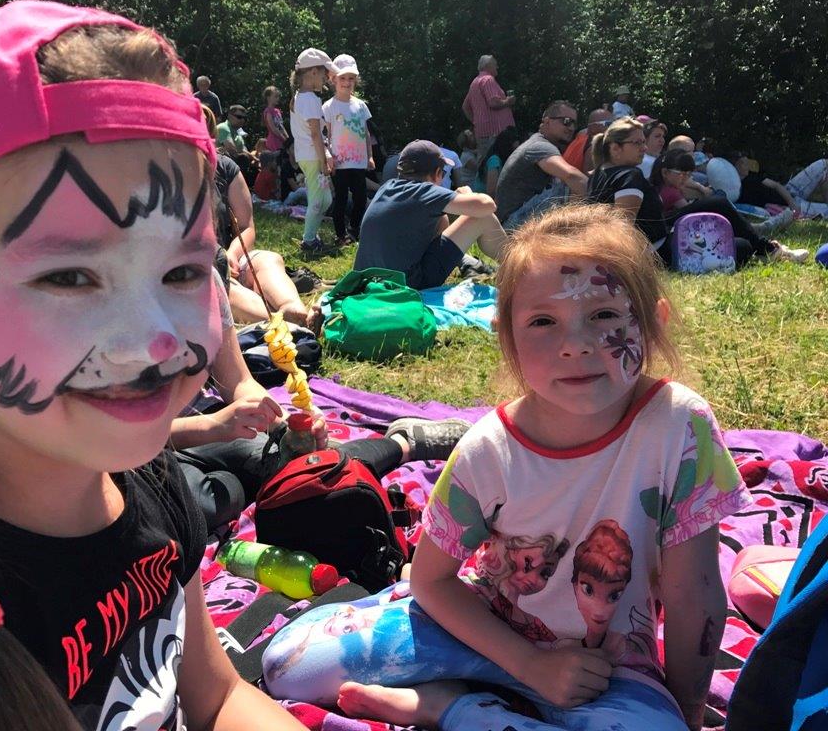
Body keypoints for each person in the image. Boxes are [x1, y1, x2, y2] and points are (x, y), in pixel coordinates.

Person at [0, 0, 307, 731]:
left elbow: (218, 697)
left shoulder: (150, 481)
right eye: (69, 277)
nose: (155, 342)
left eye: (183, 272)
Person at [264, 205, 752, 731]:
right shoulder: (489, 449)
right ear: (507, 337)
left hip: (606, 666)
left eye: (605, 316)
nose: (575, 345)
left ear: (653, 322)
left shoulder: (679, 426)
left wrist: (687, 713)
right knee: (290, 665)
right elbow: (432, 580)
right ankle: (469, 698)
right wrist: (530, 665)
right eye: (543, 321)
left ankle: (448, 706)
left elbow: (693, 593)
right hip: (484, 633)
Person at [172, 321, 471, 532]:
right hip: (152, 452)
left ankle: (403, 442)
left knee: (308, 472)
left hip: (212, 425)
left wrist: (287, 426)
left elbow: (238, 381)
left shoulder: (209, 282)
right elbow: (137, 439)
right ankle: (246, 485)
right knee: (208, 504)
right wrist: (210, 426)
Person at [202, 106, 312, 326]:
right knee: (216, 282)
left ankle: (293, 309)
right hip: (201, 268)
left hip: (233, 256)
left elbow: (246, 226)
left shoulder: (224, 167)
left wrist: (232, 255)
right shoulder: (161, 173)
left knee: (268, 259)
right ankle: (283, 323)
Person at [353, 140, 508, 289]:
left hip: (368, 284)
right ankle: (515, 265)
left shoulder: (386, 188)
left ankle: (465, 261)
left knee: (441, 218)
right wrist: (468, 193)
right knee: (483, 218)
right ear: (437, 173)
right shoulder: (424, 191)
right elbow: (488, 206)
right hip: (406, 286)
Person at [650, 151, 809, 264]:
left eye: (688, 174)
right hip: (670, 235)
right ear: (665, 173)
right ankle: (766, 246)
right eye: (681, 174)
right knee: (718, 202)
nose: (685, 179)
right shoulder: (669, 191)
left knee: (744, 247)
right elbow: (691, 218)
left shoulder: (666, 188)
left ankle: (759, 241)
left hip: (676, 236)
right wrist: (699, 189)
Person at [587, 117, 673, 264]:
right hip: (650, 255)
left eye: (644, 142)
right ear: (615, 148)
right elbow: (623, 227)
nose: (644, 148)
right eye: (637, 143)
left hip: (607, 252)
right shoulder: (630, 175)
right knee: (713, 204)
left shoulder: (596, 175)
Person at [494, 100, 587, 229]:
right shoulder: (540, 146)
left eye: (574, 123)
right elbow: (571, 175)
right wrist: (604, 200)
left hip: (513, 221)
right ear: (547, 121)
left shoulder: (539, 143)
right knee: (568, 188)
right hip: (512, 225)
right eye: (566, 121)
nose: (571, 128)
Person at [290, 48, 337, 253]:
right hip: (312, 156)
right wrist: (324, 161)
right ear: (313, 72)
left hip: (309, 155)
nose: (326, 79)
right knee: (318, 200)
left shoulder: (302, 96)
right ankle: (308, 241)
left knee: (325, 199)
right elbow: (316, 134)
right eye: (325, 74)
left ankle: (312, 235)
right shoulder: (309, 99)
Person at [324, 54, 374, 245]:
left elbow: (366, 133)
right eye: (343, 78)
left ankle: (354, 229)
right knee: (341, 199)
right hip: (339, 162)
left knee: (360, 198)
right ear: (333, 79)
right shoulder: (329, 107)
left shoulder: (360, 106)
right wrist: (328, 157)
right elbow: (325, 135)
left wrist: (370, 156)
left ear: (356, 80)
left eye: (351, 78)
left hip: (359, 161)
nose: (347, 82)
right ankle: (340, 234)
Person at [461, 54, 516, 169]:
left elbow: (465, 107)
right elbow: (493, 103)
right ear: (488, 66)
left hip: (482, 132)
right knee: (499, 164)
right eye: (495, 65)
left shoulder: (475, 82)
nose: (497, 67)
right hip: (496, 132)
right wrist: (508, 101)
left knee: (483, 165)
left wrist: (476, 122)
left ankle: (482, 181)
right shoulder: (488, 80)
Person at [562, 109, 613, 173]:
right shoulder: (595, 147)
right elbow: (590, 177)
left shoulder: (580, 138)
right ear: (593, 126)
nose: (614, 127)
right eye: (608, 124)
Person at [262, 85, 289, 152]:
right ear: (268, 98)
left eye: (278, 96)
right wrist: (284, 139)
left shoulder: (277, 111)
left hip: (281, 141)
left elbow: (281, 126)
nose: (278, 98)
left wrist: (288, 139)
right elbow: (273, 129)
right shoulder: (268, 112)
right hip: (274, 142)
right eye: (275, 96)